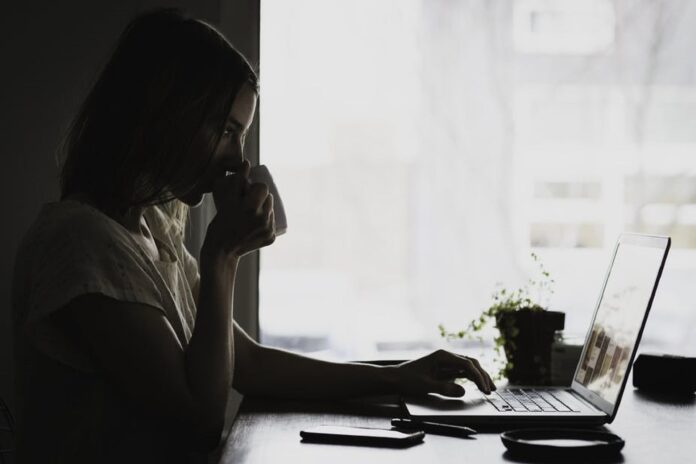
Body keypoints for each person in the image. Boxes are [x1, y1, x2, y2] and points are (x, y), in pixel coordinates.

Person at [11, 8, 495, 463]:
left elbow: (247, 363)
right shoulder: (82, 242)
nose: (238, 160)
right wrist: (223, 254)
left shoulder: (152, 233)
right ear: (164, 116)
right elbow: (198, 417)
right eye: (226, 130)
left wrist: (399, 376)